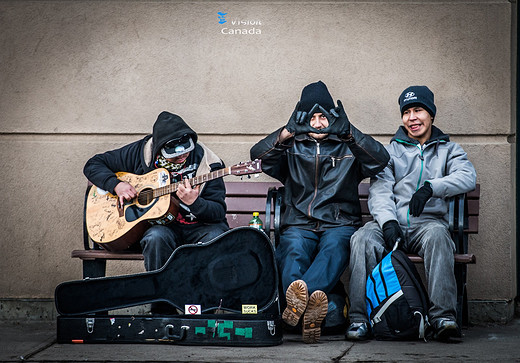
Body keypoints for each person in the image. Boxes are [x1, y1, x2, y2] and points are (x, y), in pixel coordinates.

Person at [250, 81, 390, 343]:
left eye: (323, 116)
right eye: (311, 117)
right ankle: (307, 310)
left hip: (339, 223)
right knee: (291, 250)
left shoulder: (348, 145)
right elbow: (258, 158)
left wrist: (349, 132)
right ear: (302, 118)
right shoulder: (291, 146)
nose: (317, 123)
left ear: (332, 117)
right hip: (299, 222)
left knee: (334, 250)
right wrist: (285, 134)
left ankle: (295, 310)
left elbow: (381, 160)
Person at [345, 85, 477, 341]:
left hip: (425, 225)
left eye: (418, 110)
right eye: (406, 112)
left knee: (440, 237)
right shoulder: (390, 151)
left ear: (431, 115)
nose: (412, 117)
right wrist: (387, 221)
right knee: (361, 239)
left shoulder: (449, 150)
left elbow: (467, 176)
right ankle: (361, 319)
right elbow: (381, 190)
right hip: (389, 223)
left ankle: (443, 319)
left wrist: (432, 187)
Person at [84, 111, 229, 313]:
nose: (182, 157)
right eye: (175, 155)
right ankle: (162, 308)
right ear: (160, 149)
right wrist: (116, 185)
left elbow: (218, 212)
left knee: (216, 237)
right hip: (161, 228)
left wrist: (195, 203)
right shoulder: (141, 153)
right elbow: (93, 164)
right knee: (155, 238)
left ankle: (203, 307)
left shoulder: (209, 163)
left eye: (186, 152)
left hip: (199, 227)